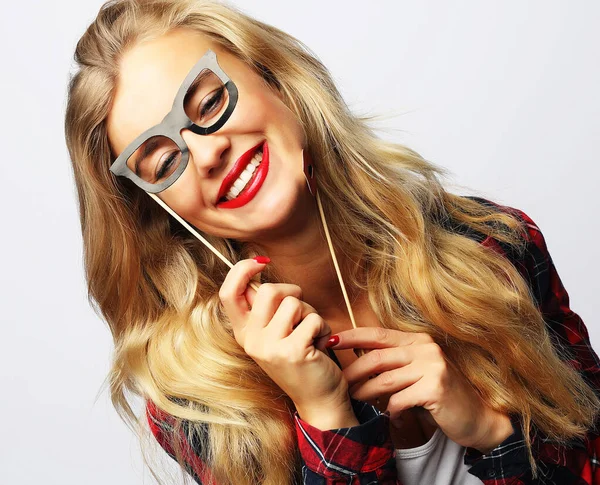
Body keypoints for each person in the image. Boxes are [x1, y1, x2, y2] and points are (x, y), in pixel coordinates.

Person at [64, 0, 599, 484]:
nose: (206, 154)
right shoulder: (200, 397)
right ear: (158, 209)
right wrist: (325, 415)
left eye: (208, 104)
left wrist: (491, 431)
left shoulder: (492, 246)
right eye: (162, 162)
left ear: (276, 79)